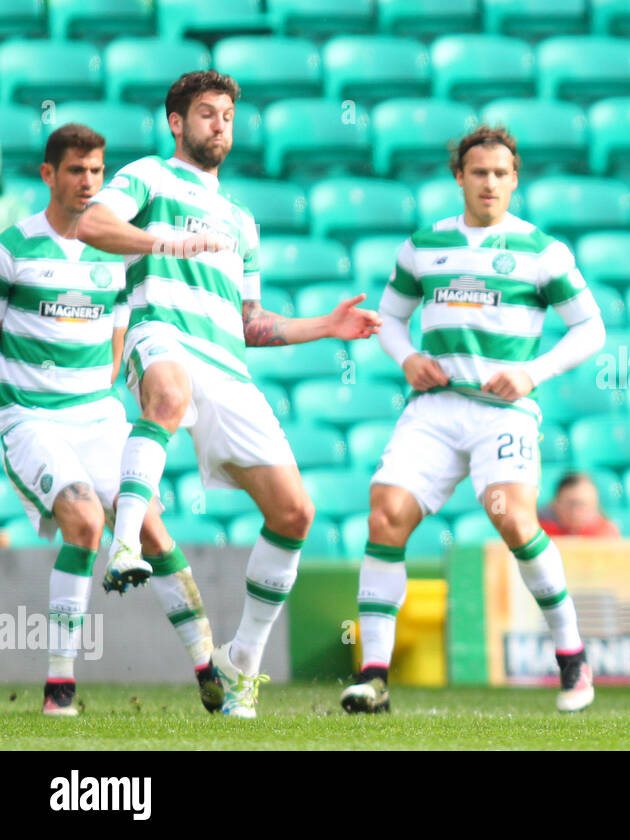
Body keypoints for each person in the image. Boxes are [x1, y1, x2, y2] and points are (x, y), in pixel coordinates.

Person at [76, 70, 382, 719]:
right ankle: (125, 541)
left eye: (227, 116)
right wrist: (165, 240)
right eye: (207, 114)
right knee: (167, 396)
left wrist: (325, 326)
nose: (219, 125)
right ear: (176, 121)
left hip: (228, 365)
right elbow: (92, 225)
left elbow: (251, 322)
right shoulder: (148, 178)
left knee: (295, 514)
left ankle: (242, 661)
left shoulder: (242, 222)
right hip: (161, 332)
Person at [340, 125, 606, 715]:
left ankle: (572, 660)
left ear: (515, 179)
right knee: (384, 516)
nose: (490, 183)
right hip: (435, 408)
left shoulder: (542, 251)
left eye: (501, 174)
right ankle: (374, 677)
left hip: (503, 411)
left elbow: (592, 329)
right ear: (459, 176)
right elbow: (387, 317)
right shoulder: (423, 246)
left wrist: (533, 373)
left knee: (513, 521)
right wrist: (406, 357)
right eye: (479, 172)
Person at [1, 124, 220, 716]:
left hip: (96, 415)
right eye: (76, 171)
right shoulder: (13, 248)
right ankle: (59, 690)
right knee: (83, 518)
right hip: (30, 418)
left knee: (148, 527)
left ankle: (210, 669)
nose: (88, 182)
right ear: (48, 174)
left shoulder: (114, 252)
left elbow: (119, 338)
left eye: (97, 172)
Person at [540, 472, 620, 538]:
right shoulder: (539, 532)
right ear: (556, 503)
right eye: (570, 504)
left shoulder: (606, 533)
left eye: (584, 505)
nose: (576, 511)